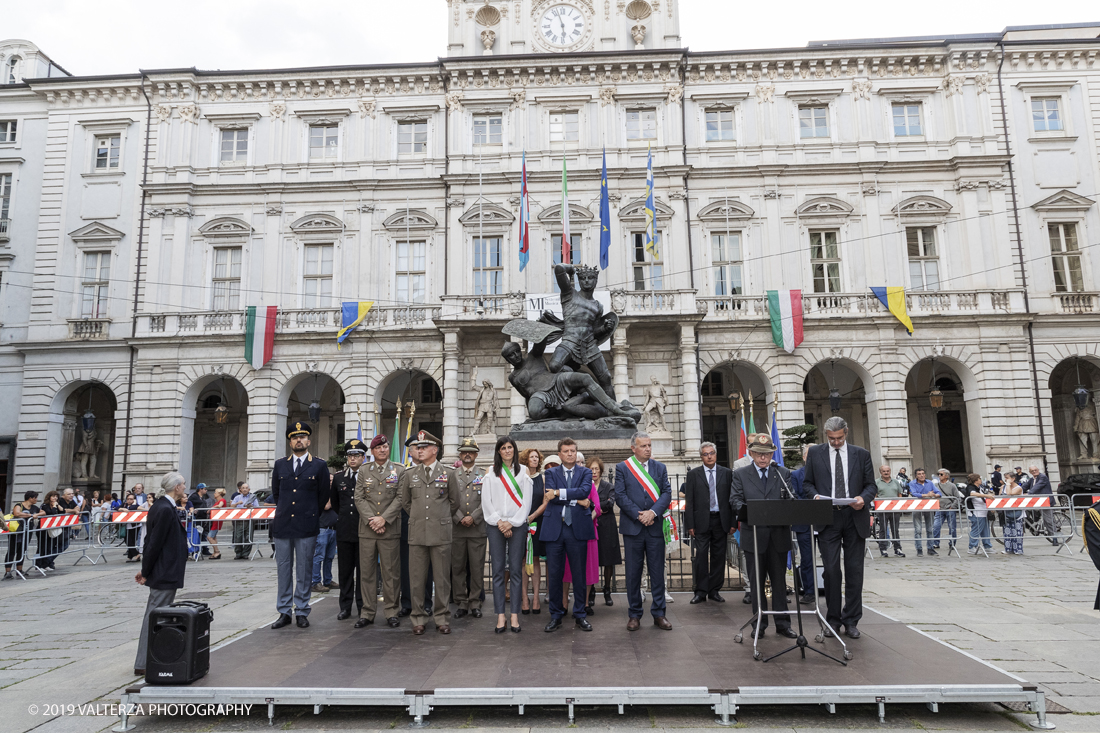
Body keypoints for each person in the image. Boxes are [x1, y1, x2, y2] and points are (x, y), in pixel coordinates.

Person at [800, 416, 877, 640]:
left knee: (854, 571)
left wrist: (863, 498)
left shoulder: (861, 454)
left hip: (855, 516)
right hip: (828, 517)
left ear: (846, 433)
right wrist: (814, 496)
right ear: (826, 436)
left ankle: (851, 620)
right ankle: (832, 619)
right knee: (831, 571)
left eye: (839, 438)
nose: (835, 442)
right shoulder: (815, 454)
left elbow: (870, 485)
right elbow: (807, 483)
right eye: (831, 439)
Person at [730, 434, 797, 639]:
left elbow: (790, 499)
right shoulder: (741, 474)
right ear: (751, 453)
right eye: (759, 454)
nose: (763, 459)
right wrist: (754, 512)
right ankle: (759, 623)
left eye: (767, 455)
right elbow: (735, 500)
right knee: (757, 582)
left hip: (778, 536)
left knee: (779, 582)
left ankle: (783, 624)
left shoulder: (782, 473)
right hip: (755, 535)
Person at [270, 421, 332, 630]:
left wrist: (311, 513)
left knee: (304, 569)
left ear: (309, 441)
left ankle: (302, 610)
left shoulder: (319, 465)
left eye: (302, 437)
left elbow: (323, 494)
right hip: (283, 524)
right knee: (284, 569)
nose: (299, 440)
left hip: (306, 524)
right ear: (290, 442)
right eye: (295, 438)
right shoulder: (280, 465)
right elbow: (277, 494)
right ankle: (284, 611)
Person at [614, 432, 674, 631]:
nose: (648, 449)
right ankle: (634, 614)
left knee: (657, 571)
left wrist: (653, 513)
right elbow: (620, 496)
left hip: (655, 526)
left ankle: (659, 613)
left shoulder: (660, 468)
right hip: (634, 527)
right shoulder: (623, 468)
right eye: (643, 446)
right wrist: (639, 515)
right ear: (633, 448)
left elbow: (667, 493)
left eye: (649, 445)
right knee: (633, 573)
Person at [401, 430, 458, 635]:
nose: (419, 450)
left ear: (435, 450)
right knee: (416, 578)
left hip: (440, 532)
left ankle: (442, 617)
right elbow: (406, 503)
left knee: (442, 578)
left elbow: (454, 502)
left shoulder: (448, 474)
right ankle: (418, 618)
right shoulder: (409, 475)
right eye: (418, 447)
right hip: (417, 532)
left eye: (424, 447)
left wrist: (438, 517)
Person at [133, 472, 189, 676]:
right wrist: (145, 571)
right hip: (164, 571)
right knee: (155, 616)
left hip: (164, 570)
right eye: (183, 484)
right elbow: (153, 544)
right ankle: (144, 662)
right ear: (176, 487)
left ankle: (152, 659)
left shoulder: (163, 507)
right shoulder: (164, 509)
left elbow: (151, 541)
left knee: (158, 615)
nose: (184, 487)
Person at [541, 438, 595, 632]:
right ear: (560, 454)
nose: (570, 454)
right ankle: (556, 615)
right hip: (555, 528)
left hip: (577, 529)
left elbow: (584, 491)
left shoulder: (586, 472)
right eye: (566, 451)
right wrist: (575, 499)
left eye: (573, 450)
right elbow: (551, 497)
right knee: (554, 575)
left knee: (579, 574)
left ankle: (580, 614)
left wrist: (558, 493)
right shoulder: (550, 472)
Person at [353, 435, 404, 628]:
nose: (382, 450)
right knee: (367, 572)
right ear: (372, 451)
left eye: (385, 446)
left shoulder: (399, 470)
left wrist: (384, 519)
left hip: (389, 528)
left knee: (391, 572)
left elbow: (400, 498)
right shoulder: (364, 470)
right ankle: (367, 612)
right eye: (378, 447)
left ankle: (392, 611)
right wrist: (372, 520)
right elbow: (359, 498)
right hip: (368, 529)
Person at [484, 436, 533, 633]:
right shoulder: (490, 473)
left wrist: (512, 522)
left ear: (515, 450)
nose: (506, 451)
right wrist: (500, 522)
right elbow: (486, 501)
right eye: (503, 448)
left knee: (515, 570)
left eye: (510, 447)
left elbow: (527, 502)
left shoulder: (523, 473)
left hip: (517, 525)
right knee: (497, 571)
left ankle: (514, 616)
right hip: (495, 525)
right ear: (498, 451)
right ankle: (500, 617)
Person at [684, 441, 733, 604]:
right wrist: (689, 524)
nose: (709, 456)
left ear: (716, 454)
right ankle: (700, 591)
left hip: (721, 520)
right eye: (705, 454)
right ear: (701, 457)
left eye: (711, 453)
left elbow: (732, 500)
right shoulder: (693, 475)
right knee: (701, 556)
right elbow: (689, 501)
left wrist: (733, 522)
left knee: (719, 557)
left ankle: (714, 590)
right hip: (701, 522)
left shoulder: (727, 473)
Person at [450, 437, 487, 620]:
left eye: (471, 452)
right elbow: (448, 500)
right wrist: (459, 517)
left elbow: (487, 501)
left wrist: (473, 517)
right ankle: (461, 603)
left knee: (477, 568)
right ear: (460, 454)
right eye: (464, 451)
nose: (467, 454)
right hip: (457, 529)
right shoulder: (451, 475)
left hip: (476, 529)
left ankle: (475, 602)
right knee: (457, 568)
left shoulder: (483, 475)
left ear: (476, 455)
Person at [332, 438, 367, 621]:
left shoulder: (368, 476)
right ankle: (345, 606)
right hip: (345, 530)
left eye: (357, 456)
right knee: (345, 572)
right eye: (350, 456)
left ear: (363, 457)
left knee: (363, 572)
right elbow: (337, 504)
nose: (353, 459)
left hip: (363, 530)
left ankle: (363, 607)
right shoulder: (339, 477)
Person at [564, 457, 602, 615]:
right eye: (576, 462)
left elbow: (597, 508)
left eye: (580, 462)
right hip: (567, 530)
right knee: (566, 570)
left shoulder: (590, 485)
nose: (578, 465)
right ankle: (564, 602)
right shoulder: (564, 482)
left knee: (587, 569)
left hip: (587, 533)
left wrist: (585, 520)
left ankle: (585, 603)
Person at [518, 447, 547, 614]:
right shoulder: (520, 478)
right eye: (532, 457)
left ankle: (536, 597)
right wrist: (522, 518)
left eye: (537, 457)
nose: (535, 459)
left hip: (537, 523)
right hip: (520, 523)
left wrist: (533, 516)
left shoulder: (542, 479)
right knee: (522, 560)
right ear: (525, 460)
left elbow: (545, 501)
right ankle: (524, 598)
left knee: (535, 560)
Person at [789, 444, 817, 605]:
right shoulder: (796, 475)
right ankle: (809, 591)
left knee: (830, 560)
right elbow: (795, 496)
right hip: (804, 523)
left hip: (824, 523)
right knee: (806, 559)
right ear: (804, 457)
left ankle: (829, 587)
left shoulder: (825, 474)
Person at [593, 456, 621, 607]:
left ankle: (607, 590)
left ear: (601, 471)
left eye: (597, 469)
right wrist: (599, 506)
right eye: (591, 469)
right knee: (592, 560)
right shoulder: (586, 486)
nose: (594, 472)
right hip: (592, 526)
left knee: (608, 560)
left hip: (608, 527)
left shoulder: (608, 486)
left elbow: (610, 503)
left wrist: (594, 505)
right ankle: (590, 592)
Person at [5, 491, 43, 579]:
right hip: (16, 531)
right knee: (12, 550)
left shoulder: (34, 507)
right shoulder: (19, 505)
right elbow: (17, 513)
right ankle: (7, 572)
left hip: (27, 531)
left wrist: (36, 514)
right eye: (35, 498)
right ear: (30, 498)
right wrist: (31, 515)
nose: (36, 499)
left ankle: (19, 570)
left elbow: (43, 512)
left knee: (22, 550)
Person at [908, 468, 941, 556]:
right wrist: (927, 495)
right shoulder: (912, 483)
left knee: (930, 529)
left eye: (923, 473)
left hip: (929, 507)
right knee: (918, 530)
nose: (921, 475)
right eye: (919, 474)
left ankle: (930, 548)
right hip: (917, 507)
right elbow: (914, 493)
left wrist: (934, 495)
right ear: (916, 476)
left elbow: (939, 493)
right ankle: (919, 549)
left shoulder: (929, 483)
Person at [873, 465, 905, 558]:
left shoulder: (895, 482)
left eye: (887, 471)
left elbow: (900, 494)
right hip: (882, 510)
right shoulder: (876, 482)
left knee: (895, 529)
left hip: (895, 509)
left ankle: (897, 549)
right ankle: (883, 549)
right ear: (880, 472)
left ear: (890, 471)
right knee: (883, 529)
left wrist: (899, 505)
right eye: (884, 471)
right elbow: (874, 496)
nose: (886, 472)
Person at [1026, 464, 1060, 546]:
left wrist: (1029, 493)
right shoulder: (1032, 479)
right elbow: (1025, 486)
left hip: (1046, 502)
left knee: (1048, 520)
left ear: (1038, 470)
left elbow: (1038, 486)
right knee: (1026, 510)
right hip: (1037, 502)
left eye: (1035, 470)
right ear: (1030, 472)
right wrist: (1017, 490)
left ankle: (1055, 538)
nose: (1034, 471)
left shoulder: (1042, 477)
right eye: (1032, 471)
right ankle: (1034, 525)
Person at [964, 473, 995, 554]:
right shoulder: (970, 487)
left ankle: (987, 546)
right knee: (976, 529)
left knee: (985, 530)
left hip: (983, 511)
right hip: (976, 512)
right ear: (976, 480)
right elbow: (972, 494)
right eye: (979, 479)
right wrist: (986, 495)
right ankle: (972, 547)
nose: (981, 480)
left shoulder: (980, 487)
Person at [932, 469, 960, 552]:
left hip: (949, 508)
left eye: (941, 474)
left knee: (952, 527)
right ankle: (935, 542)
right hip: (940, 509)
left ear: (946, 476)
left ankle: (952, 543)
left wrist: (952, 506)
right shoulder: (936, 485)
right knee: (936, 526)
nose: (939, 476)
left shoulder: (952, 486)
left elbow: (957, 497)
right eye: (939, 474)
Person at [230, 482, 259, 559]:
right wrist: (237, 503)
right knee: (238, 536)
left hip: (249, 519)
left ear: (249, 489)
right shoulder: (237, 497)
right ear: (240, 489)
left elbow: (257, 507)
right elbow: (231, 506)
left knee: (248, 536)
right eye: (243, 488)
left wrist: (251, 506)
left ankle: (246, 553)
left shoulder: (253, 497)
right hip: (239, 519)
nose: (245, 489)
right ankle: (238, 553)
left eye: (246, 488)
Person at [37, 490, 65, 570]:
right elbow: (51, 514)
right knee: (42, 547)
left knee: (49, 547)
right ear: (49, 497)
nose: (55, 498)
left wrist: (58, 506)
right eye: (53, 496)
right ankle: (39, 565)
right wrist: (54, 507)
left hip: (51, 528)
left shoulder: (56, 505)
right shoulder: (45, 505)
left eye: (56, 497)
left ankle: (45, 564)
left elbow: (62, 512)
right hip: (43, 529)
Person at [1002, 470, 1025, 555]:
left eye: (1007, 478)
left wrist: (1008, 484)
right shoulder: (1003, 487)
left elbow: (1009, 494)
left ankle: (1018, 549)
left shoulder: (1018, 488)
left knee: (1017, 531)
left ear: (1013, 478)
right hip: (1006, 512)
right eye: (1005, 478)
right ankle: (1008, 549)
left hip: (1017, 512)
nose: (1005, 480)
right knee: (1007, 531)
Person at [187, 483, 212, 557]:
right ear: (200, 489)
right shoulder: (194, 497)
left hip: (203, 518)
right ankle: (199, 549)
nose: (206, 490)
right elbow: (189, 504)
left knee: (203, 533)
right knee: (198, 533)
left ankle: (204, 548)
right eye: (205, 489)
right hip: (197, 518)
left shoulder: (203, 497)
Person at [208, 488, 226, 560]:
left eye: (215, 492)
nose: (214, 494)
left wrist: (211, 508)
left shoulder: (222, 500)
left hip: (217, 521)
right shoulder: (218, 501)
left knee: (210, 537)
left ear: (219, 494)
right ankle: (215, 551)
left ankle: (217, 551)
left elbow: (220, 506)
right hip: (215, 520)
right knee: (213, 537)